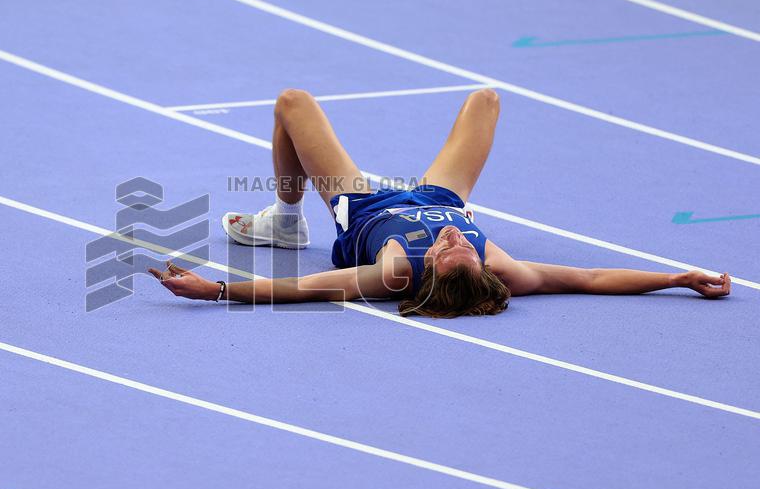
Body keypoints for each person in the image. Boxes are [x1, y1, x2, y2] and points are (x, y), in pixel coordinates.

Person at [149, 89, 731, 317]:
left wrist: (219, 289)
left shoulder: (395, 271)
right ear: (481, 270)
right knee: (486, 101)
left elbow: (303, 290)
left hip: (365, 207)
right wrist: (677, 276)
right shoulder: (502, 270)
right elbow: (593, 276)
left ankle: (282, 219)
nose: (456, 240)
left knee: (292, 105)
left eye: (447, 249)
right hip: (439, 195)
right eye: (464, 248)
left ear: (428, 274)